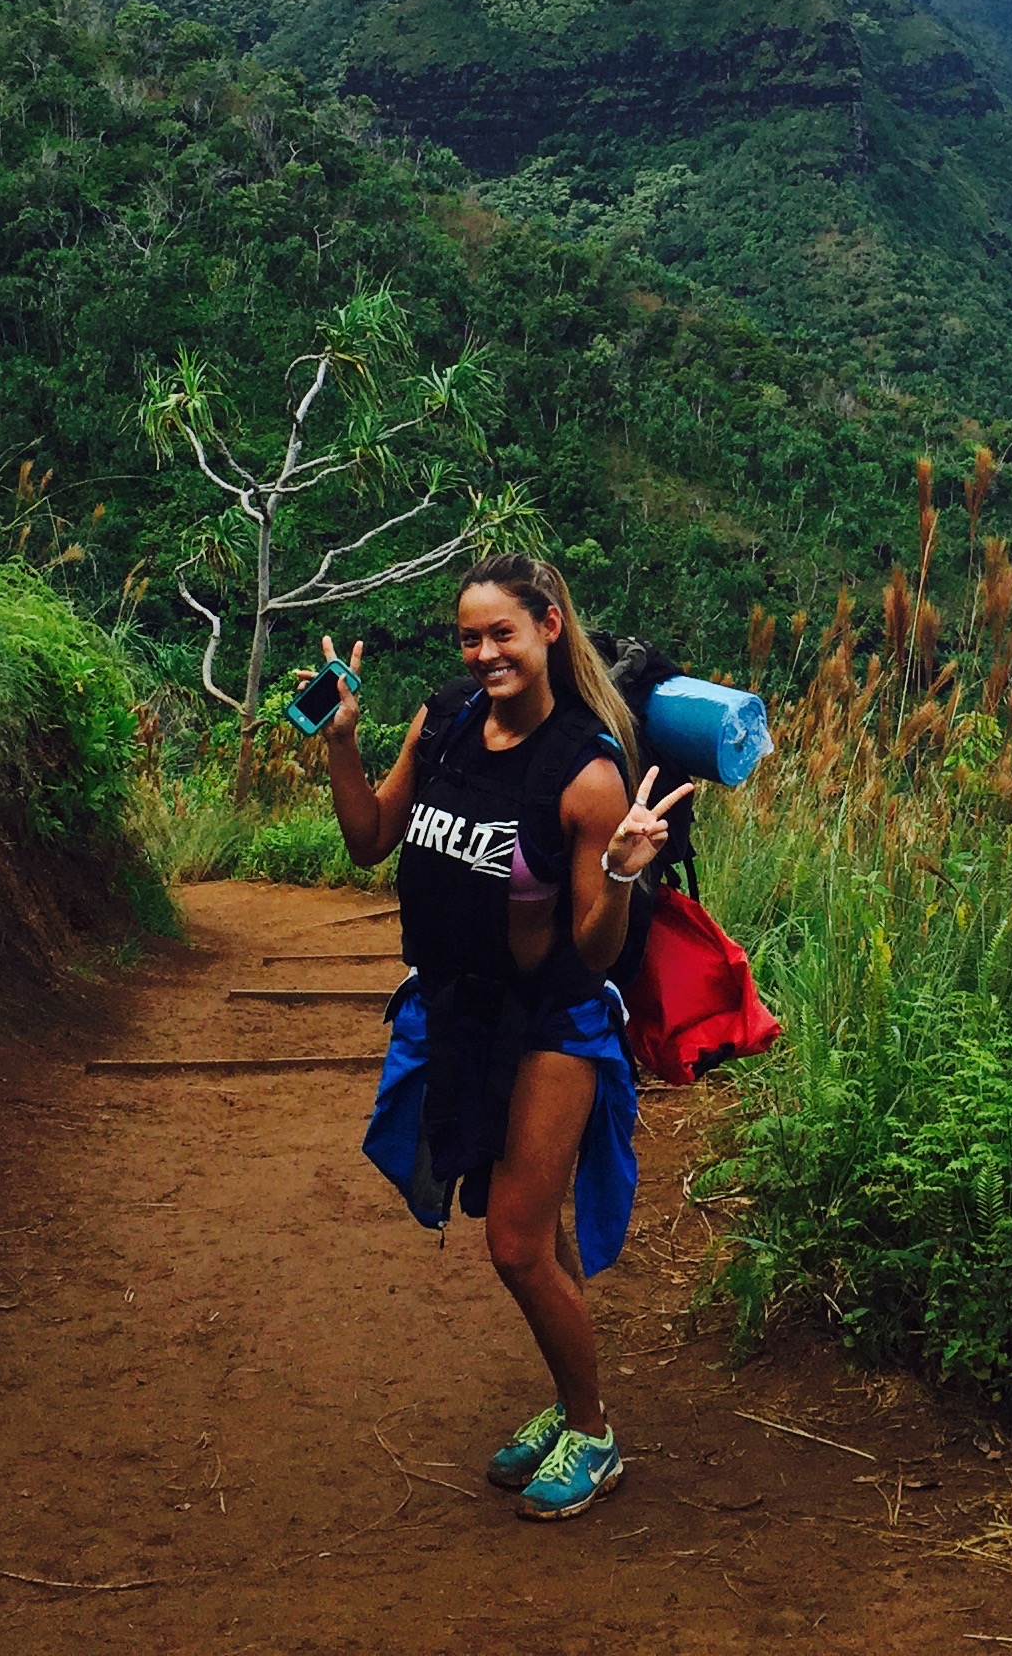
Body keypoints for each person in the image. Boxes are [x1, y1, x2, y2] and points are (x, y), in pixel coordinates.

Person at [319, 554, 691, 1522]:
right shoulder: (444, 723)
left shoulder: (586, 772)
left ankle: (594, 1434)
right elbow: (368, 838)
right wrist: (341, 743)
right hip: (463, 1011)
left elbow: (594, 954)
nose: (485, 654)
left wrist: (619, 873)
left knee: (517, 1244)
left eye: (503, 634)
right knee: (532, 1226)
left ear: (549, 629)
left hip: (554, 1022)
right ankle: (571, 1404)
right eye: (470, 638)